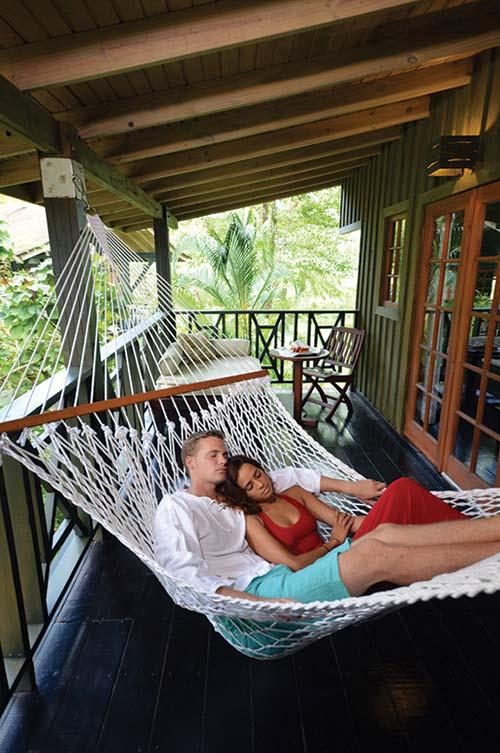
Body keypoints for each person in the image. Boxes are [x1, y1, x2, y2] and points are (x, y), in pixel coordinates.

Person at [154, 430, 500, 606]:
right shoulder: (177, 508)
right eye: (213, 455)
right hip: (264, 587)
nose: (222, 460)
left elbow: (286, 478)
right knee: (377, 547)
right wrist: (260, 605)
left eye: (224, 454)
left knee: (388, 532)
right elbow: (182, 572)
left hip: (278, 573)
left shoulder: (229, 500)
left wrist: (352, 487)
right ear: (191, 463)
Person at [222, 455, 468, 568]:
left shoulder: (294, 493)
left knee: (401, 492)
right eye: (250, 486)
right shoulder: (254, 522)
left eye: (258, 474)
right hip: (330, 568)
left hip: (347, 551)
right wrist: (333, 542)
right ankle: (468, 530)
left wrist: (383, 513)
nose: (260, 484)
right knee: (401, 491)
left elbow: (343, 521)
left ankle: (465, 530)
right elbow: (294, 564)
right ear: (243, 495)